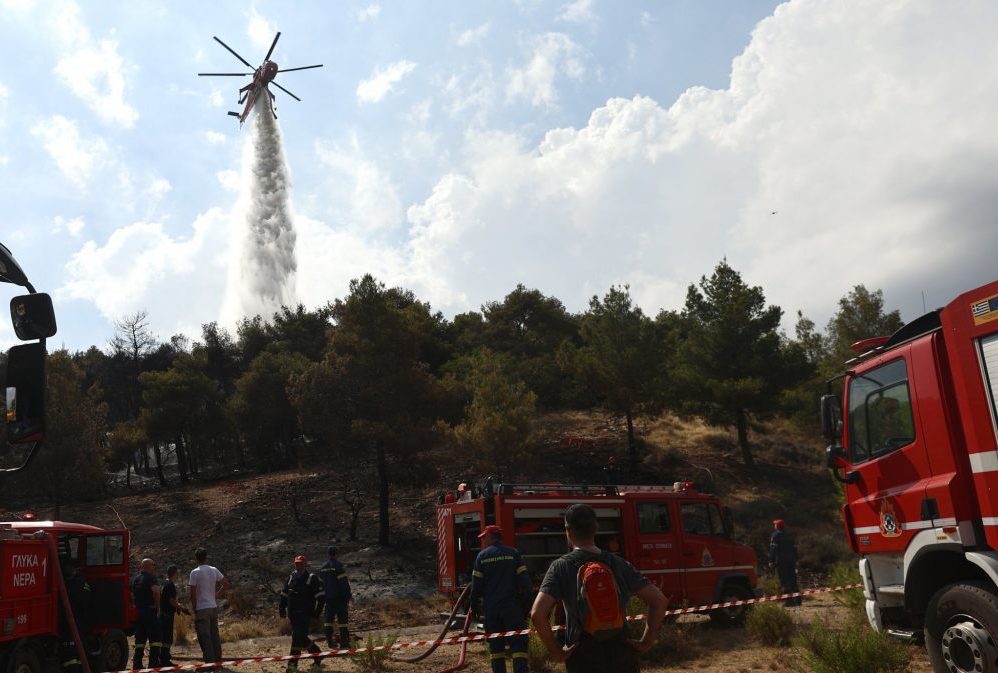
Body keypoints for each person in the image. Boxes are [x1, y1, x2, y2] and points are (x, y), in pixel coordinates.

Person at [531, 504, 667, 673]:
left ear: (568, 531)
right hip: (622, 653)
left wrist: (556, 652)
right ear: (596, 528)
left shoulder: (560, 567)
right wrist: (646, 641)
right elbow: (659, 601)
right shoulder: (618, 563)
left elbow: (537, 614)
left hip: (582, 656)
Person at [469, 525, 532, 673]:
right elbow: (527, 586)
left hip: (492, 611)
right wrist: (524, 608)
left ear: (491, 536)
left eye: (484, 537)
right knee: (518, 647)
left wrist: (474, 607)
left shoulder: (482, 557)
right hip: (512, 608)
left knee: (496, 648)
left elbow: (475, 588)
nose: (482, 541)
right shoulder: (513, 554)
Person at [279, 555, 324, 670]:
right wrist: (281, 608)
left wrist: (316, 613)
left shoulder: (311, 578)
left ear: (305, 564)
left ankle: (292, 665)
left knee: (296, 638)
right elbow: (284, 594)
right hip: (293, 615)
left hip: (305, 615)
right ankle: (317, 654)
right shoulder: (291, 577)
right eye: (296, 563)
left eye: (300, 563)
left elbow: (321, 598)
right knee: (302, 637)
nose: (298, 565)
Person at [189, 548, 230, 668]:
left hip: (202, 608)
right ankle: (218, 661)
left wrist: (194, 608)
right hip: (213, 606)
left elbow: (192, 593)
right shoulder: (213, 570)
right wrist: (216, 595)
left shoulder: (194, 572)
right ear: (206, 557)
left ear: (196, 558)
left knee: (204, 636)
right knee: (214, 635)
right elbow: (226, 584)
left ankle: (209, 663)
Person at [59, 559, 93, 673]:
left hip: (75, 621)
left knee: (72, 652)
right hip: (74, 622)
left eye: (68, 567)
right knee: (79, 651)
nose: (66, 569)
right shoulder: (78, 582)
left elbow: (81, 600)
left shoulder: (78, 582)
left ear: (72, 568)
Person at [317, 546, 352, 648]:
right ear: (336, 554)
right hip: (340, 598)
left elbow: (320, 584)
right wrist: (348, 595)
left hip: (328, 599)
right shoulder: (338, 566)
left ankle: (330, 642)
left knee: (328, 621)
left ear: (328, 554)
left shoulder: (322, 568)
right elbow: (343, 583)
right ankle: (344, 644)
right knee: (343, 622)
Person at [131, 558, 162, 669]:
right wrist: (157, 608)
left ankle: (137, 664)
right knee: (155, 639)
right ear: (147, 566)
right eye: (153, 565)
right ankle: (153, 664)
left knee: (140, 640)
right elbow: (156, 592)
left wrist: (136, 606)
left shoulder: (136, 579)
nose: (154, 567)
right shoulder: (151, 578)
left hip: (139, 613)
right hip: (150, 611)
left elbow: (132, 595)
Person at [160, 564, 191, 666]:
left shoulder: (163, 583)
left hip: (161, 613)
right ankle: (165, 661)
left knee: (163, 637)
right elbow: (171, 600)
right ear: (175, 573)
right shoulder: (170, 585)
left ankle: (162, 659)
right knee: (167, 638)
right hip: (167, 614)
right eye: (177, 573)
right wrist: (181, 608)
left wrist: (178, 605)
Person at [769, 519, 801, 606]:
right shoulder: (789, 535)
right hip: (791, 561)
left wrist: (771, 560)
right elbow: (794, 549)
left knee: (784, 581)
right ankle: (798, 601)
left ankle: (789, 601)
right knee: (793, 580)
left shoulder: (775, 535)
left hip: (781, 561)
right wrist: (796, 559)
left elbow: (773, 549)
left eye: (775, 524)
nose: (774, 526)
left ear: (777, 526)